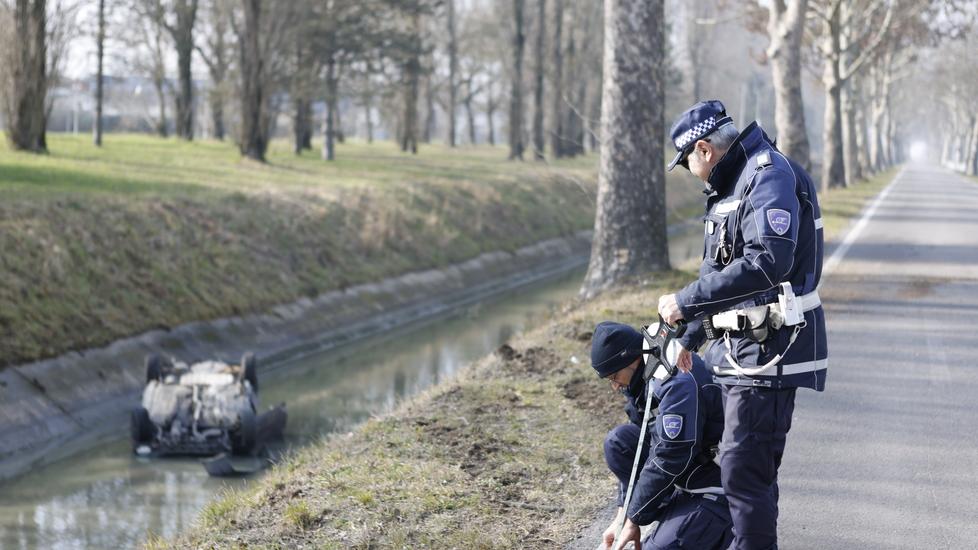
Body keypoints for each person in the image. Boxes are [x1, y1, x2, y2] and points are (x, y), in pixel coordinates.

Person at [657, 100, 827, 549]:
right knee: (748, 472)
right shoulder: (735, 182)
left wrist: (684, 299)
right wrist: (688, 336)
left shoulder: (766, 174)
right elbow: (719, 272)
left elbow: (769, 261)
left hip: (772, 349)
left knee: (743, 472)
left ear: (704, 149)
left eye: (687, 161)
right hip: (741, 351)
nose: (690, 171)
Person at [591, 321, 732, 550]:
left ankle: (714, 527)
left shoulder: (677, 382)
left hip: (721, 488)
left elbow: (669, 456)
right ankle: (678, 517)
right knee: (619, 442)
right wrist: (622, 519)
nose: (615, 386)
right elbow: (639, 455)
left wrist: (634, 520)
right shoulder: (646, 377)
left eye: (614, 376)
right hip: (690, 477)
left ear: (633, 360)